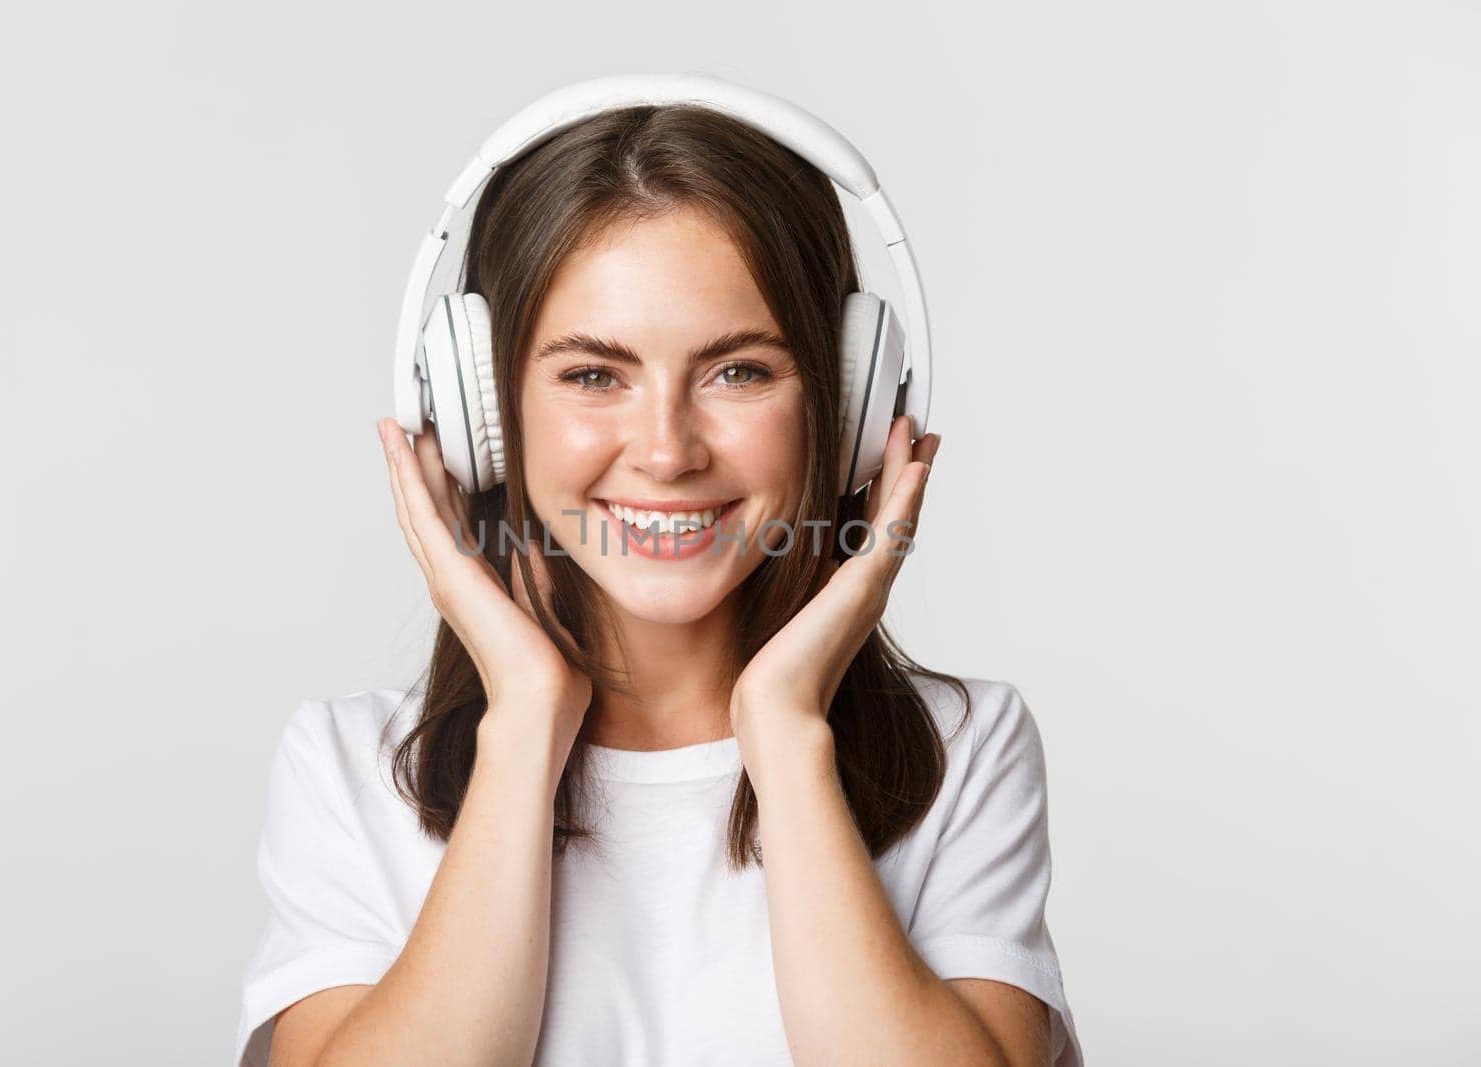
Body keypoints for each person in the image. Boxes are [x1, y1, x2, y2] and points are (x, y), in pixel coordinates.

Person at [234, 84, 1083, 1067]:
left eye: (740, 371)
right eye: (594, 374)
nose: (667, 451)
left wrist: (784, 725)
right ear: (480, 414)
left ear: (847, 406)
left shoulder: (962, 753)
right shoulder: (347, 769)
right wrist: (522, 719)